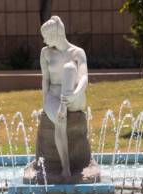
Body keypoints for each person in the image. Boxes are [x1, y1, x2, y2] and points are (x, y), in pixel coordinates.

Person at [40, 16, 89, 179]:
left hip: (74, 95)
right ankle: (65, 167)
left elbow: (84, 78)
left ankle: (64, 104)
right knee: (60, 119)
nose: (44, 40)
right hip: (54, 96)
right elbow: (45, 80)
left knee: (69, 67)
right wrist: (45, 104)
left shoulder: (77, 52)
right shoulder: (45, 53)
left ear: (55, 35)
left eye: (46, 36)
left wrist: (75, 94)